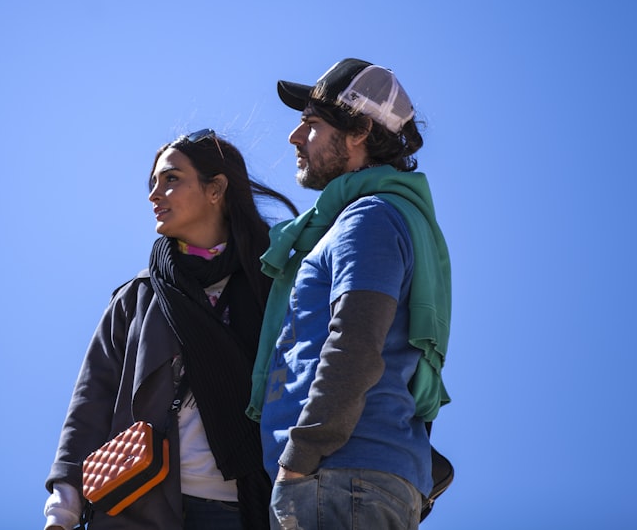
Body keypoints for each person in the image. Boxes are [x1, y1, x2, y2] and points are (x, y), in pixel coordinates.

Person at [44, 129, 298, 530]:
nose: (154, 194)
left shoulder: (276, 283)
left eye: (171, 179)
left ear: (216, 189)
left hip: (243, 506)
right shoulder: (139, 296)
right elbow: (92, 397)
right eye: (153, 183)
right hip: (140, 502)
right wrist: (64, 504)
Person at [250, 58, 452, 529]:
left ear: (359, 129)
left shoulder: (370, 218)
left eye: (311, 124)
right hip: (348, 479)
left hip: (338, 478)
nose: (294, 137)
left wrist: (300, 457)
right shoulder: (374, 216)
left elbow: (355, 345)